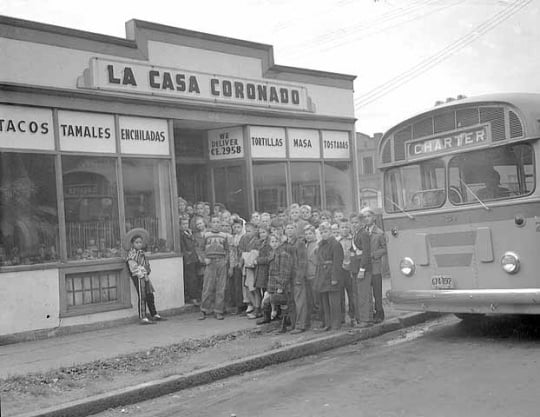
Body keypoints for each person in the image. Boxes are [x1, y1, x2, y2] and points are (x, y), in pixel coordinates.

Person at [125, 228, 163, 325]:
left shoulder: (141, 253)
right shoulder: (131, 254)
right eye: (136, 242)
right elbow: (134, 268)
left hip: (145, 275)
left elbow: (146, 264)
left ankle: (154, 313)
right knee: (142, 296)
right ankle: (142, 316)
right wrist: (143, 274)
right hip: (138, 276)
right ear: (132, 243)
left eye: (140, 242)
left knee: (150, 294)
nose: (139, 244)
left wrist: (147, 272)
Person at [313, 222, 344, 331]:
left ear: (330, 232)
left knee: (334, 302)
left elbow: (337, 262)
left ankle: (336, 324)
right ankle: (327, 323)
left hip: (332, 275)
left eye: (326, 232)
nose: (324, 234)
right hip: (323, 275)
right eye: (321, 232)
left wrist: (335, 278)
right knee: (324, 302)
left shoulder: (335, 244)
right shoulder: (321, 244)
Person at [199, 216, 229, 320]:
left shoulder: (224, 236)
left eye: (218, 222)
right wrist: (204, 258)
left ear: (220, 224)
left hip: (221, 262)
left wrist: (225, 261)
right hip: (210, 262)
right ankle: (204, 310)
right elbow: (200, 249)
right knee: (207, 287)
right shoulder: (206, 235)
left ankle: (218, 311)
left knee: (221, 287)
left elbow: (227, 250)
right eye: (214, 222)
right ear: (210, 224)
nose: (216, 224)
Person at [262, 234, 293, 333]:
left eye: (276, 241)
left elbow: (285, 271)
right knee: (267, 302)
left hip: (280, 283)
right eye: (272, 241)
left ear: (280, 242)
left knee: (283, 303)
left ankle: (283, 326)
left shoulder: (283, 254)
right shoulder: (272, 254)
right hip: (272, 283)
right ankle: (271, 320)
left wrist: (281, 286)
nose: (274, 244)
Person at [361, 207, 387, 323]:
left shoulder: (379, 233)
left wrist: (374, 254)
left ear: (374, 218)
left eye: (369, 216)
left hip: (375, 265)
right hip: (366, 266)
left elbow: (384, 248)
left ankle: (379, 312)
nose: (367, 219)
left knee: (377, 291)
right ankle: (369, 312)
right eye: (365, 217)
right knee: (367, 291)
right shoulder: (362, 231)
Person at [350, 212, 372, 327]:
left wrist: (362, 269)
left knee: (363, 295)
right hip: (355, 267)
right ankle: (363, 318)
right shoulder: (355, 234)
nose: (354, 225)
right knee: (358, 294)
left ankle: (365, 319)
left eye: (356, 222)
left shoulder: (363, 234)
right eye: (352, 223)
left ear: (362, 223)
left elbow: (366, 253)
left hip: (362, 268)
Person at [180, 218, 200, 306]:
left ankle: (195, 295)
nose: (185, 225)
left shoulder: (190, 233)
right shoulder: (181, 235)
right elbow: (184, 248)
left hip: (194, 258)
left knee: (194, 278)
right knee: (190, 278)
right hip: (188, 259)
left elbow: (195, 244)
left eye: (186, 223)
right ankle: (192, 297)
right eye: (183, 224)